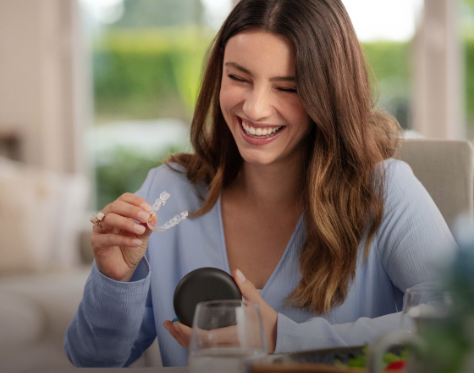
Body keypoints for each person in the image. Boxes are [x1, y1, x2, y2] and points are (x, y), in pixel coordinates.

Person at [64, 0, 456, 368]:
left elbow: (458, 328)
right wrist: (115, 281)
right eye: (238, 77)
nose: (254, 108)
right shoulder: (168, 191)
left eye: (287, 87)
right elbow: (93, 360)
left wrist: (281, 338)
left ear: (329, 95)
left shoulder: (385, 190)